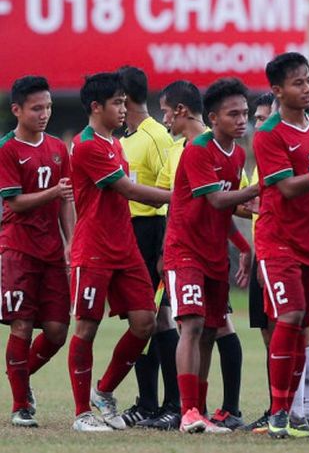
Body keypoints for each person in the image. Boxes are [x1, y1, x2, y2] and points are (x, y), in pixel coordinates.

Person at [68, 72, 171, 431]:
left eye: (124, 101)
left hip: (124, 247)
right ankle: (82, 414)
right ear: (96, 107)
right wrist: (181, 197)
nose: (123, 108)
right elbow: (128, 190)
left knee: (145, 323)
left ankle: (104, 392)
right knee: (86, 327)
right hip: (94, 249)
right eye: (116, 102)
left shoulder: (114, 143)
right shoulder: (87, 146)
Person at [252, 52, 309, 439]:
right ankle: (277, 412)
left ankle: (292, 412)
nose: (307, 89)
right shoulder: (268, 133)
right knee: (288, 317)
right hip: (277, 242)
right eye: (298, 83)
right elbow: (287, 188)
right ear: (278, 90)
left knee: (304, 323)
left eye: (308, 80)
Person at [163, 78, 258, 433]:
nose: (241, 120)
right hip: (185, 251)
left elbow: (225, 210)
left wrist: (245, 246)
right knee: (192, 325)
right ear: (213, 117)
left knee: (208, 332)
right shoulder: (198, 149)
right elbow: (217, 199)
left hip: (215, 253)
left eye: (245, 113)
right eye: (233, 114)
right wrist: (261, 187)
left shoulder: (238, 153)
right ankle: (187, 411)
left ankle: (198, 411)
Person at [0, 76, 74, 427]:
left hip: (51, 253)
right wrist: (54, 193)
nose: (44, 113)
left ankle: (21, 379)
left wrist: (72, 242)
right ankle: (20, 406)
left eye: (48, 107)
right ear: (17, 110)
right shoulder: (7, 150)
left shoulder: (59, 149)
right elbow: (14, 201)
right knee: (22, 324)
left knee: (58, 331)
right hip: (16, 250)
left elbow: (66, 202)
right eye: (36, 108)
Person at [117, 66, 179, 428]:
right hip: (129, 233)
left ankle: (171, 403)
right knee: (140, 319)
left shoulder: (157, 136)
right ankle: (148, 403)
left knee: (159, 318)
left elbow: (172, 195)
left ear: (124, 98)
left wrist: (163, 250)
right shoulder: (127, 137)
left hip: (153, 231)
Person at [242, 92, 276, 432]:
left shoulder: (280, 160)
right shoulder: (255, 167)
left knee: (286, 334)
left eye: (264, 117)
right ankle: (274, 406)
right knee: (268, 336)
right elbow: (252, 206)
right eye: (257, 117)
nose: (258, 124)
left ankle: (290, 407)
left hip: (276, 256)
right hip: (259, 255)